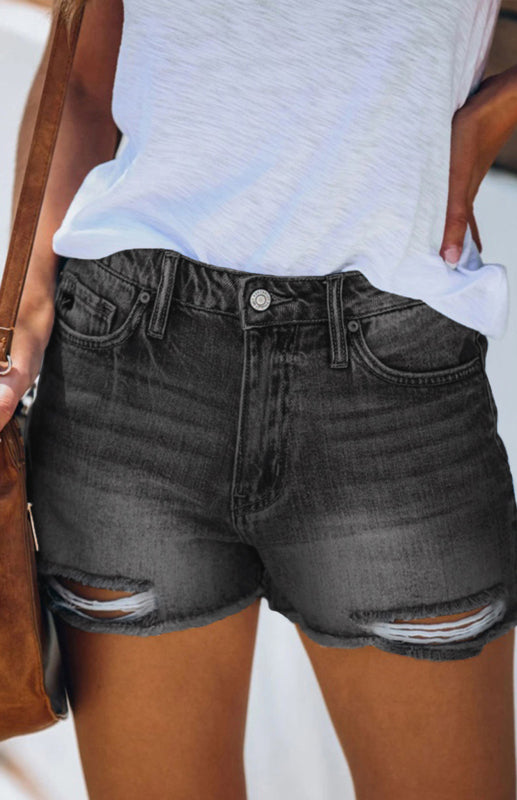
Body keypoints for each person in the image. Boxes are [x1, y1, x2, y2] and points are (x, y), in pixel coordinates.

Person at [3, 0, 517, 797]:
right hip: (129, 369)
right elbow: (86, 75)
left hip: (390, 387)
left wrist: (498, 110)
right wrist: (29, 305)